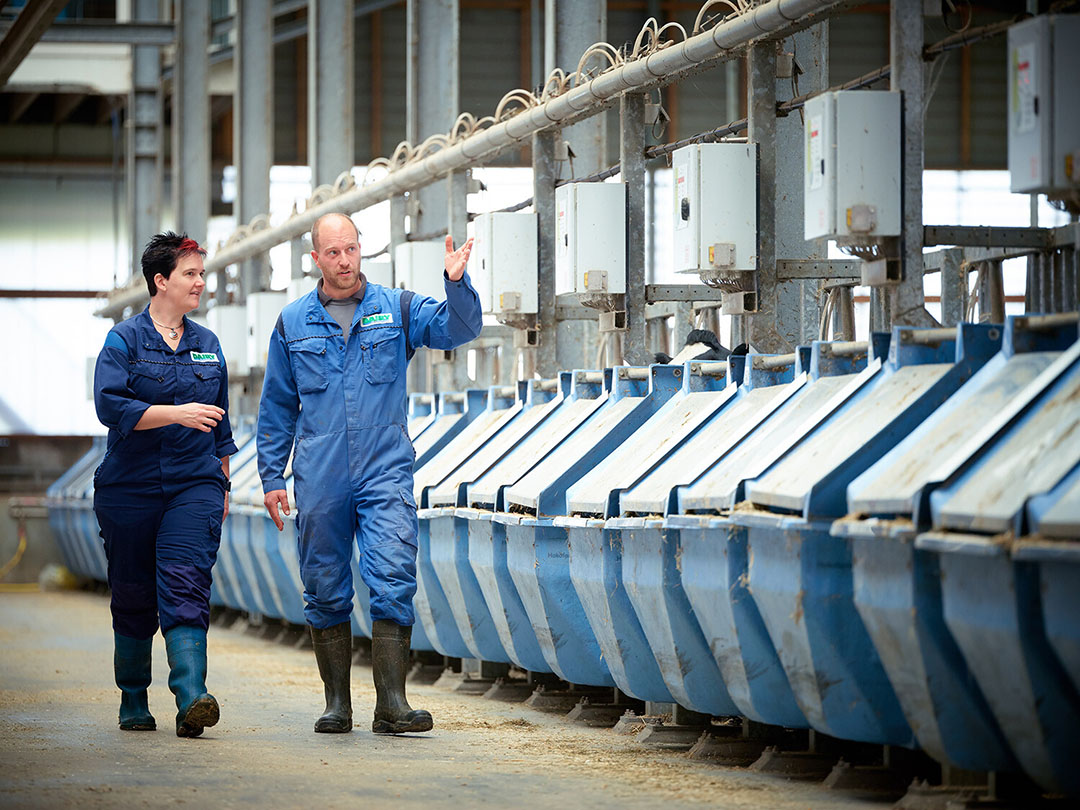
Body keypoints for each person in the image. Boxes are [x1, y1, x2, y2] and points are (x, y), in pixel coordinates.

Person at [257, 212, 482, 735]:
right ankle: (337, 704)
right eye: (332, 253)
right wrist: (272, 477)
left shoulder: (397, 308)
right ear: (315, 259)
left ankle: (392, 704)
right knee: (324, 585)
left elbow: (460, 327)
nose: (343, 261)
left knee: (393, 575)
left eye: (351, 250)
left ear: (362, 250)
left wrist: (455, 283)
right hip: (319, 474)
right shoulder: (292, 323)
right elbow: (276, 409)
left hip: (384, 471)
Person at [93, 232, 237, 738]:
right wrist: (174, 413)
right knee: (133, 592)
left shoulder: (208, 344)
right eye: (190, 274)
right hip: (128, 487)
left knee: (186, 581)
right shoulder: (124, 341)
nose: (201, 281)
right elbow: (109, 406)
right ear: (161, 281)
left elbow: (220, 425)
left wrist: (221, 485)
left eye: (202, 273)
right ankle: (133, 697)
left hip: (194, 484)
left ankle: (193, 695)